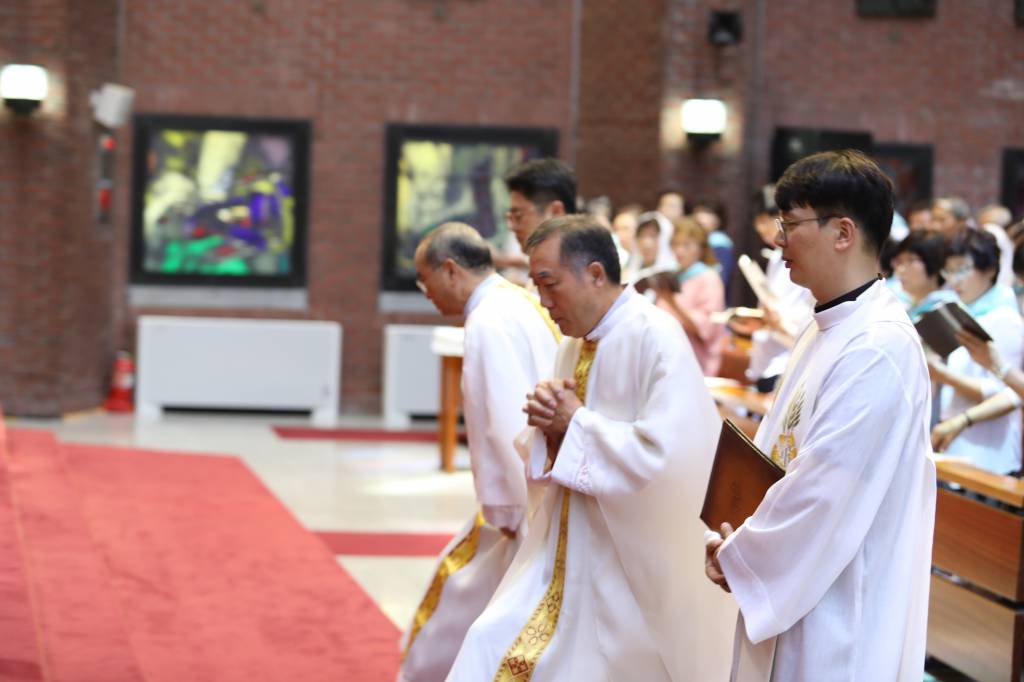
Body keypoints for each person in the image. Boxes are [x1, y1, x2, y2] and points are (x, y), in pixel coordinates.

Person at [447, 215, 735, 681]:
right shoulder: (573, 344)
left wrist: (574, 423)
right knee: (488, 647)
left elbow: (670, 461)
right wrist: (548, 426)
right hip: (566, 548)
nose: (543, 301)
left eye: (550, 284)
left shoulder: (654, 337)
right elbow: (564, 442)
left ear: (596, 274)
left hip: (622, 568)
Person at [704, 150, 936, 681]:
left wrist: (741, 554)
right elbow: (774, 452)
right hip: (798, 577)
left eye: (790, 224)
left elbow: (824, 487)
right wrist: (730, 531)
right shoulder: (826, 326)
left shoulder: (879, 345)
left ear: (843, 232)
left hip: (838, 605)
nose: (778, 240)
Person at [400, 223, 560, 682]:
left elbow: (509, 422)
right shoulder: (512, 301)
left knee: (458, 611)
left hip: (519, 505)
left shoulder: (490, 320)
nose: (424, 292)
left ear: (450, 270)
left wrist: (512, 512)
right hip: (537, 491)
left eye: (423, 279)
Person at [927, 229, 1023, 474]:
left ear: (989, 270)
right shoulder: (963, 311)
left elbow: (1008, 394)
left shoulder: (1005, 318)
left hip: (988, 451)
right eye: (949, 271)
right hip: (957, 443)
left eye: (962, 269)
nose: (955, 280)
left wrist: (940, 373)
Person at [744, 186, 814, 391]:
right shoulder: (776, 257)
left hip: (788, 359)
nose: (764, 231)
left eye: (768, 222)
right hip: (768, 357)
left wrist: (779, 323)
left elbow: (805, 317)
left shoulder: (806, 259)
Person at [654, 217, 726, 376]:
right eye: (675, 244)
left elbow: (704, 327)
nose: (679, 251)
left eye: (686, 245)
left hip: (694, 365)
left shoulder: (709, 278)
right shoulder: (674, 275)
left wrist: (671, 302)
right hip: (667, 360)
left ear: (701, 248)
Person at [892, 230, 957, 321]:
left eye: (911, 260)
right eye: (899, 261)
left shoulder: (948, 307)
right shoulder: (907, 306)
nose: (901, 269)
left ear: (934, 261)